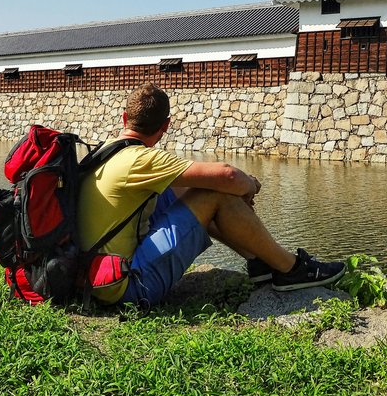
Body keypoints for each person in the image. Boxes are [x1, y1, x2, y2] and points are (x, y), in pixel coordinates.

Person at [78, 82, 345, 308]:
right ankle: (292, 269)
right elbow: (228, 175)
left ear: (125, 118)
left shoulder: (106, 151)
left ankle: (260, 261)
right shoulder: (140, 159)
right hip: (125, 288)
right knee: (217, 195)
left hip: (96, 277)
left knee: (185, 190)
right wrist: (252, 185)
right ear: (166, 125)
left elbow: (206, 182)